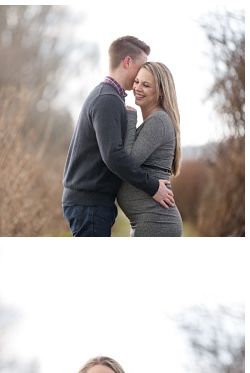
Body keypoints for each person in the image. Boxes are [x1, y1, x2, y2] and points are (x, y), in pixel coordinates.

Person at [61, 35, 175, 236]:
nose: (143, 72)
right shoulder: (108, 99)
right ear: (127, 62)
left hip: (92, 205)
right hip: (90, 205)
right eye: (142, 66)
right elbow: (113, 154)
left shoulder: (108, 97)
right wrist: (152, 187)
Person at [119, 61, 183, 236]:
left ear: (161, 91)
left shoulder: (158, 121)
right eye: (137, 82)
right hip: (149, 222)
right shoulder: (154, 121)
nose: (138, 88)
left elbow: (128, 162)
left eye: (146, 85)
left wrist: (130, 118)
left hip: (157, 222)